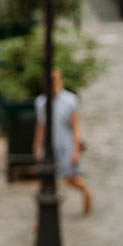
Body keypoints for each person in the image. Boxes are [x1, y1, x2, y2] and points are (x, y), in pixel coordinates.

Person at [33, 68, 93, 215]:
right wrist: (37, 146)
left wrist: (75, 150)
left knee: (70, 178)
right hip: (50, 145)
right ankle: (41, 217)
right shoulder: (41, 102)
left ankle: (86, 193)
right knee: (45, 182)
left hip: (65, 144)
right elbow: (41, 126)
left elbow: (75, 128)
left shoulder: (70, 101)